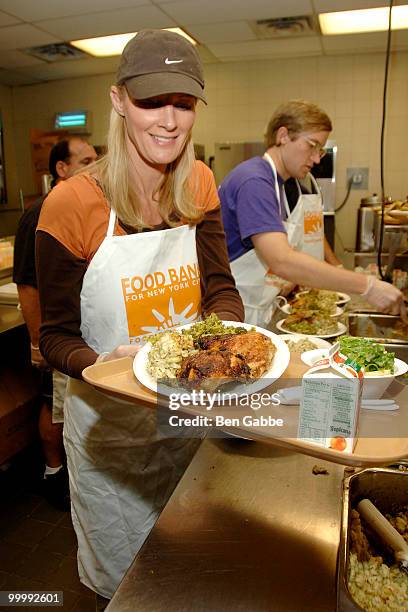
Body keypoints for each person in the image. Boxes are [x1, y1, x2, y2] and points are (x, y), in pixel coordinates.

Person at [36, 29, 243, 604]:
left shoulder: (198, 182)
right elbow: (52, 336)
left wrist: (225, 334)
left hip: (183, 416)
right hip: (111, 431)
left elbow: (221, 287)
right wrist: (102, 362)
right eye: (152, 101)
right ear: (118, 99)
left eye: (183, 103)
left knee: (185, 563)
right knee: (125, 583)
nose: (170, 121)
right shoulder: (73, 203)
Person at [219, 99, 407, 328]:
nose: (317, 159)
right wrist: (367, 286)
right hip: (237, 312)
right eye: (312, 145)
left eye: (320, 150)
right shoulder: (254, 180)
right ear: (283, 136)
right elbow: (281, 260)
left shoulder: (280, 183)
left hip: (256, 307)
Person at [13, 137, 97, 511]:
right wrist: (37, 343)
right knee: (53, 405)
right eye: (85, 160)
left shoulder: (86, 203)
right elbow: (27, 283)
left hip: (80, 330)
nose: (94, 167)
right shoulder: (41, 212)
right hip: (55, 334)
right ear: (61, 168)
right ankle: (52, 472)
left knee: (68, 405)